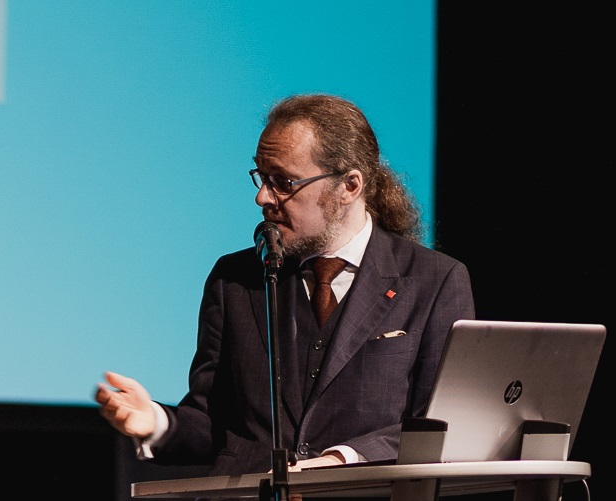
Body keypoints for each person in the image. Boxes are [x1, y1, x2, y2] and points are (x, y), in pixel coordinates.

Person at [95, 93, 475, 478]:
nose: (263, 197)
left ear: (350, 186)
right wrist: (156, 421)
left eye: (283, 182)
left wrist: (341, 460)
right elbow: (213, 422)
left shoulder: (434, 281)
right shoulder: (235, 279)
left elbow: (440, 425)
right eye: (261, 178)